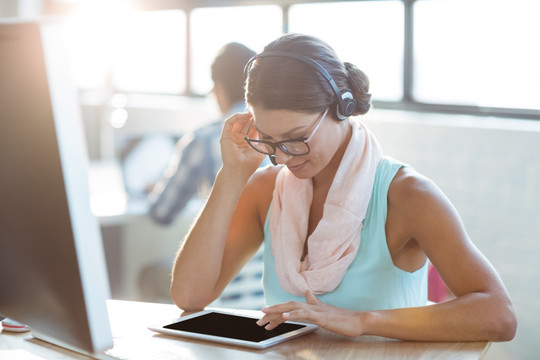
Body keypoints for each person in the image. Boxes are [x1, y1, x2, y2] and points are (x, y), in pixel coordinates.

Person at [169, 33, 517, 341]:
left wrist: (361, 321)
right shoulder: (266, 188)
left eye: (296, 138)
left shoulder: (407, 195)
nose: (284, 158)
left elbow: (498, 314)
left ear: (342, 106)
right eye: (271, 141)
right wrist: (232, 174)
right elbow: (189, 295)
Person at [147, 42, 256, 225]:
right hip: (274, 252)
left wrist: (153, 189)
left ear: (219, 89)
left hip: (226, 252)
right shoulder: (275, 132)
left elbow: (162, 211)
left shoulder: (204, 137)